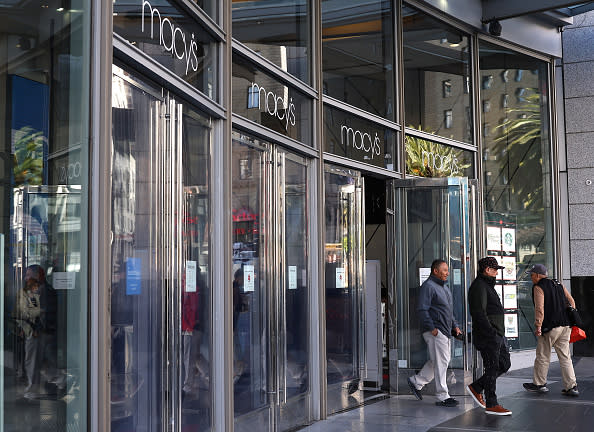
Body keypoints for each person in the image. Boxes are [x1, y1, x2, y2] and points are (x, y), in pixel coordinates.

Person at [407, 259, 462, 407]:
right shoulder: (428, 286)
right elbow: (422, 309)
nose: (447, 273)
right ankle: (443, 396)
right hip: (436, 331)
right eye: (444, 270)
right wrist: (432, 328)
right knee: (441, 362)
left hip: (443, 330)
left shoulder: (444, 288)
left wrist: (455, 325)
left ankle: (416, 382)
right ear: (435, 271)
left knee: (437, 360)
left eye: (447, 270)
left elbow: (448, 311)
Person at [522, 264, 579, 397]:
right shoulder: (558, 283)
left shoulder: (538, 287)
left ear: (537, 275)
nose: (531, 278)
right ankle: (571, 387)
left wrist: (538, 326)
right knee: (565, 357)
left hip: (550, 327)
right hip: (565, 326)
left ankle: (539, 384)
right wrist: (569, 315)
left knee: (543, 356)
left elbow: (539, 308)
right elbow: (571, 301)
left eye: (531, 275)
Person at [466, 257, 512, 415]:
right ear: (487, 269)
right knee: (492, 367)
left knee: (504, 364)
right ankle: (492, 403)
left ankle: (477, 387)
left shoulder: (487, 286)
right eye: (495, 269)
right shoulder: (479, 286)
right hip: (489, 336)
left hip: (497, 334)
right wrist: (491, 333)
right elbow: (479, 313)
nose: (496, 272)